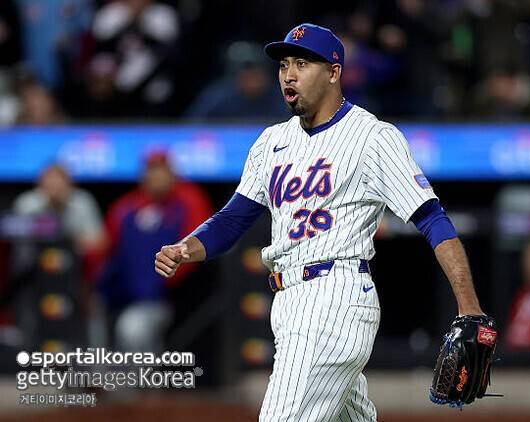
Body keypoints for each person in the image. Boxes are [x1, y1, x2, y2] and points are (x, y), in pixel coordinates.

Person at [154, 23, 486, 421]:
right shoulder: (271, 142)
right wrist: (186, 246)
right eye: (284, 65)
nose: (288, 75)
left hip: (333, 298)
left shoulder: (372, 137)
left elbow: (432, 219)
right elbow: (233, 218)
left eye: (302, 64)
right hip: (289, 302)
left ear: (333, 72)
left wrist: (470, 309)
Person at [99, 152, 212, 352]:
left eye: (162, 171)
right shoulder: (126, 208)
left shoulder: (188, 200)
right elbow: (106, 252)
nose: (157, 177)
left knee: (133, 328)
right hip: (124, 295)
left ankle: (145, 372)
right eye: (152, 171)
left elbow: (201, 244)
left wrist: (166, 280)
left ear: (172, 174)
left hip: (175, 294)